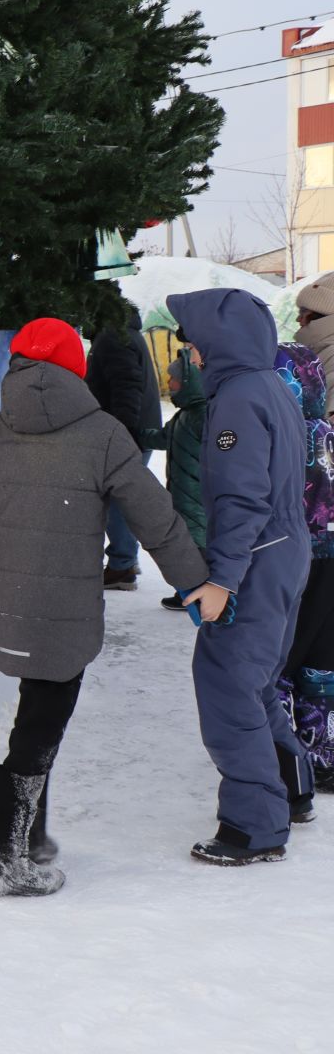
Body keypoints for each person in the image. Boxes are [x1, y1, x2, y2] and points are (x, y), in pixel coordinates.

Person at [0, 317, 206, 896]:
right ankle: (1, 856)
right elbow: (155, 519)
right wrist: (193, 584)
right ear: (75, 367)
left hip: (3, 607)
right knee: (42, 720)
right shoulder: (104, 435)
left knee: (33, 709)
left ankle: (27, 836)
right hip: (64, 614)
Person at [168, 288, 314, 864]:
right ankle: (291, 788)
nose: (192, 358)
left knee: (228, 684)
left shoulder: (235, 401)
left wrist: (222, 579)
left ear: (218, 343)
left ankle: (254, 828)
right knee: (256, 681)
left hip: (256, 556)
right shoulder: (272, 386)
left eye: (196, 346)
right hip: (286, 550)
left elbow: (241, 498)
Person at [275, 342, 334, 787]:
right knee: (323, 656)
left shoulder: (282, 435)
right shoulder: (328, 430)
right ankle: (324, 754)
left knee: (279, 657)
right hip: (332, 562)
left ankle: (280, 761)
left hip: (295, 559)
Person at [86, 297, 164, 591]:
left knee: (115, 498)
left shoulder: (113, 337)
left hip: (125, 433)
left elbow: (126, 386)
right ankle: (124, 561)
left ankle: (122, 565)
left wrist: (123, 436)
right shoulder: (119, 333)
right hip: (132, 431)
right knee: (118, 496)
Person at [141, 331, 209, 611]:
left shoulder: (203, 415)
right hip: (183, 495)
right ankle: (190, 592)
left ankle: (198, 595)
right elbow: (162, 438)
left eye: (173, 380)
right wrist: (133, 434)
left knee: (196, 549)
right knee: (186, 547)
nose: (168, 384)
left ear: (188, 383)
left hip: (198, 497)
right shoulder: (184, 416)